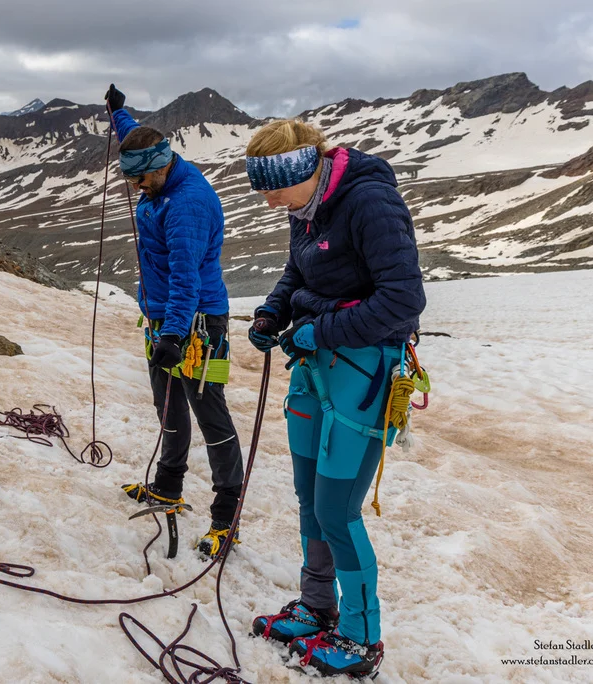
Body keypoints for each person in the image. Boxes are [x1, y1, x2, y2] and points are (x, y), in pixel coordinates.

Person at [243, 119, 426, 678]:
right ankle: (317, 604)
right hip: (314, 362)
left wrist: (318, 331)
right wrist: (272, 313)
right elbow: (297, 272)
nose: (270, 201)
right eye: (263, 190)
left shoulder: (370, 202)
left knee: (337, 510)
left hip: (363, 368)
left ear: (307, 167)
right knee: (309, 496)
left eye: (275, 188)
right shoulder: (306, 207)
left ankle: (361, 638)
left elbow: (403, 300)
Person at [105, 84, 245, 557]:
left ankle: (227, 518)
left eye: (141, 180)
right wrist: (119, 114)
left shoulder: (187, 206)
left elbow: (188, 280)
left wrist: (174, 335)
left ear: (161, 167)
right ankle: (167, 487)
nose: (136, 188)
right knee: (168, 406)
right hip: (165, 320)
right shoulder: (157, 169)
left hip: (198, 324)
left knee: (211, 416)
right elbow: (136, 137)